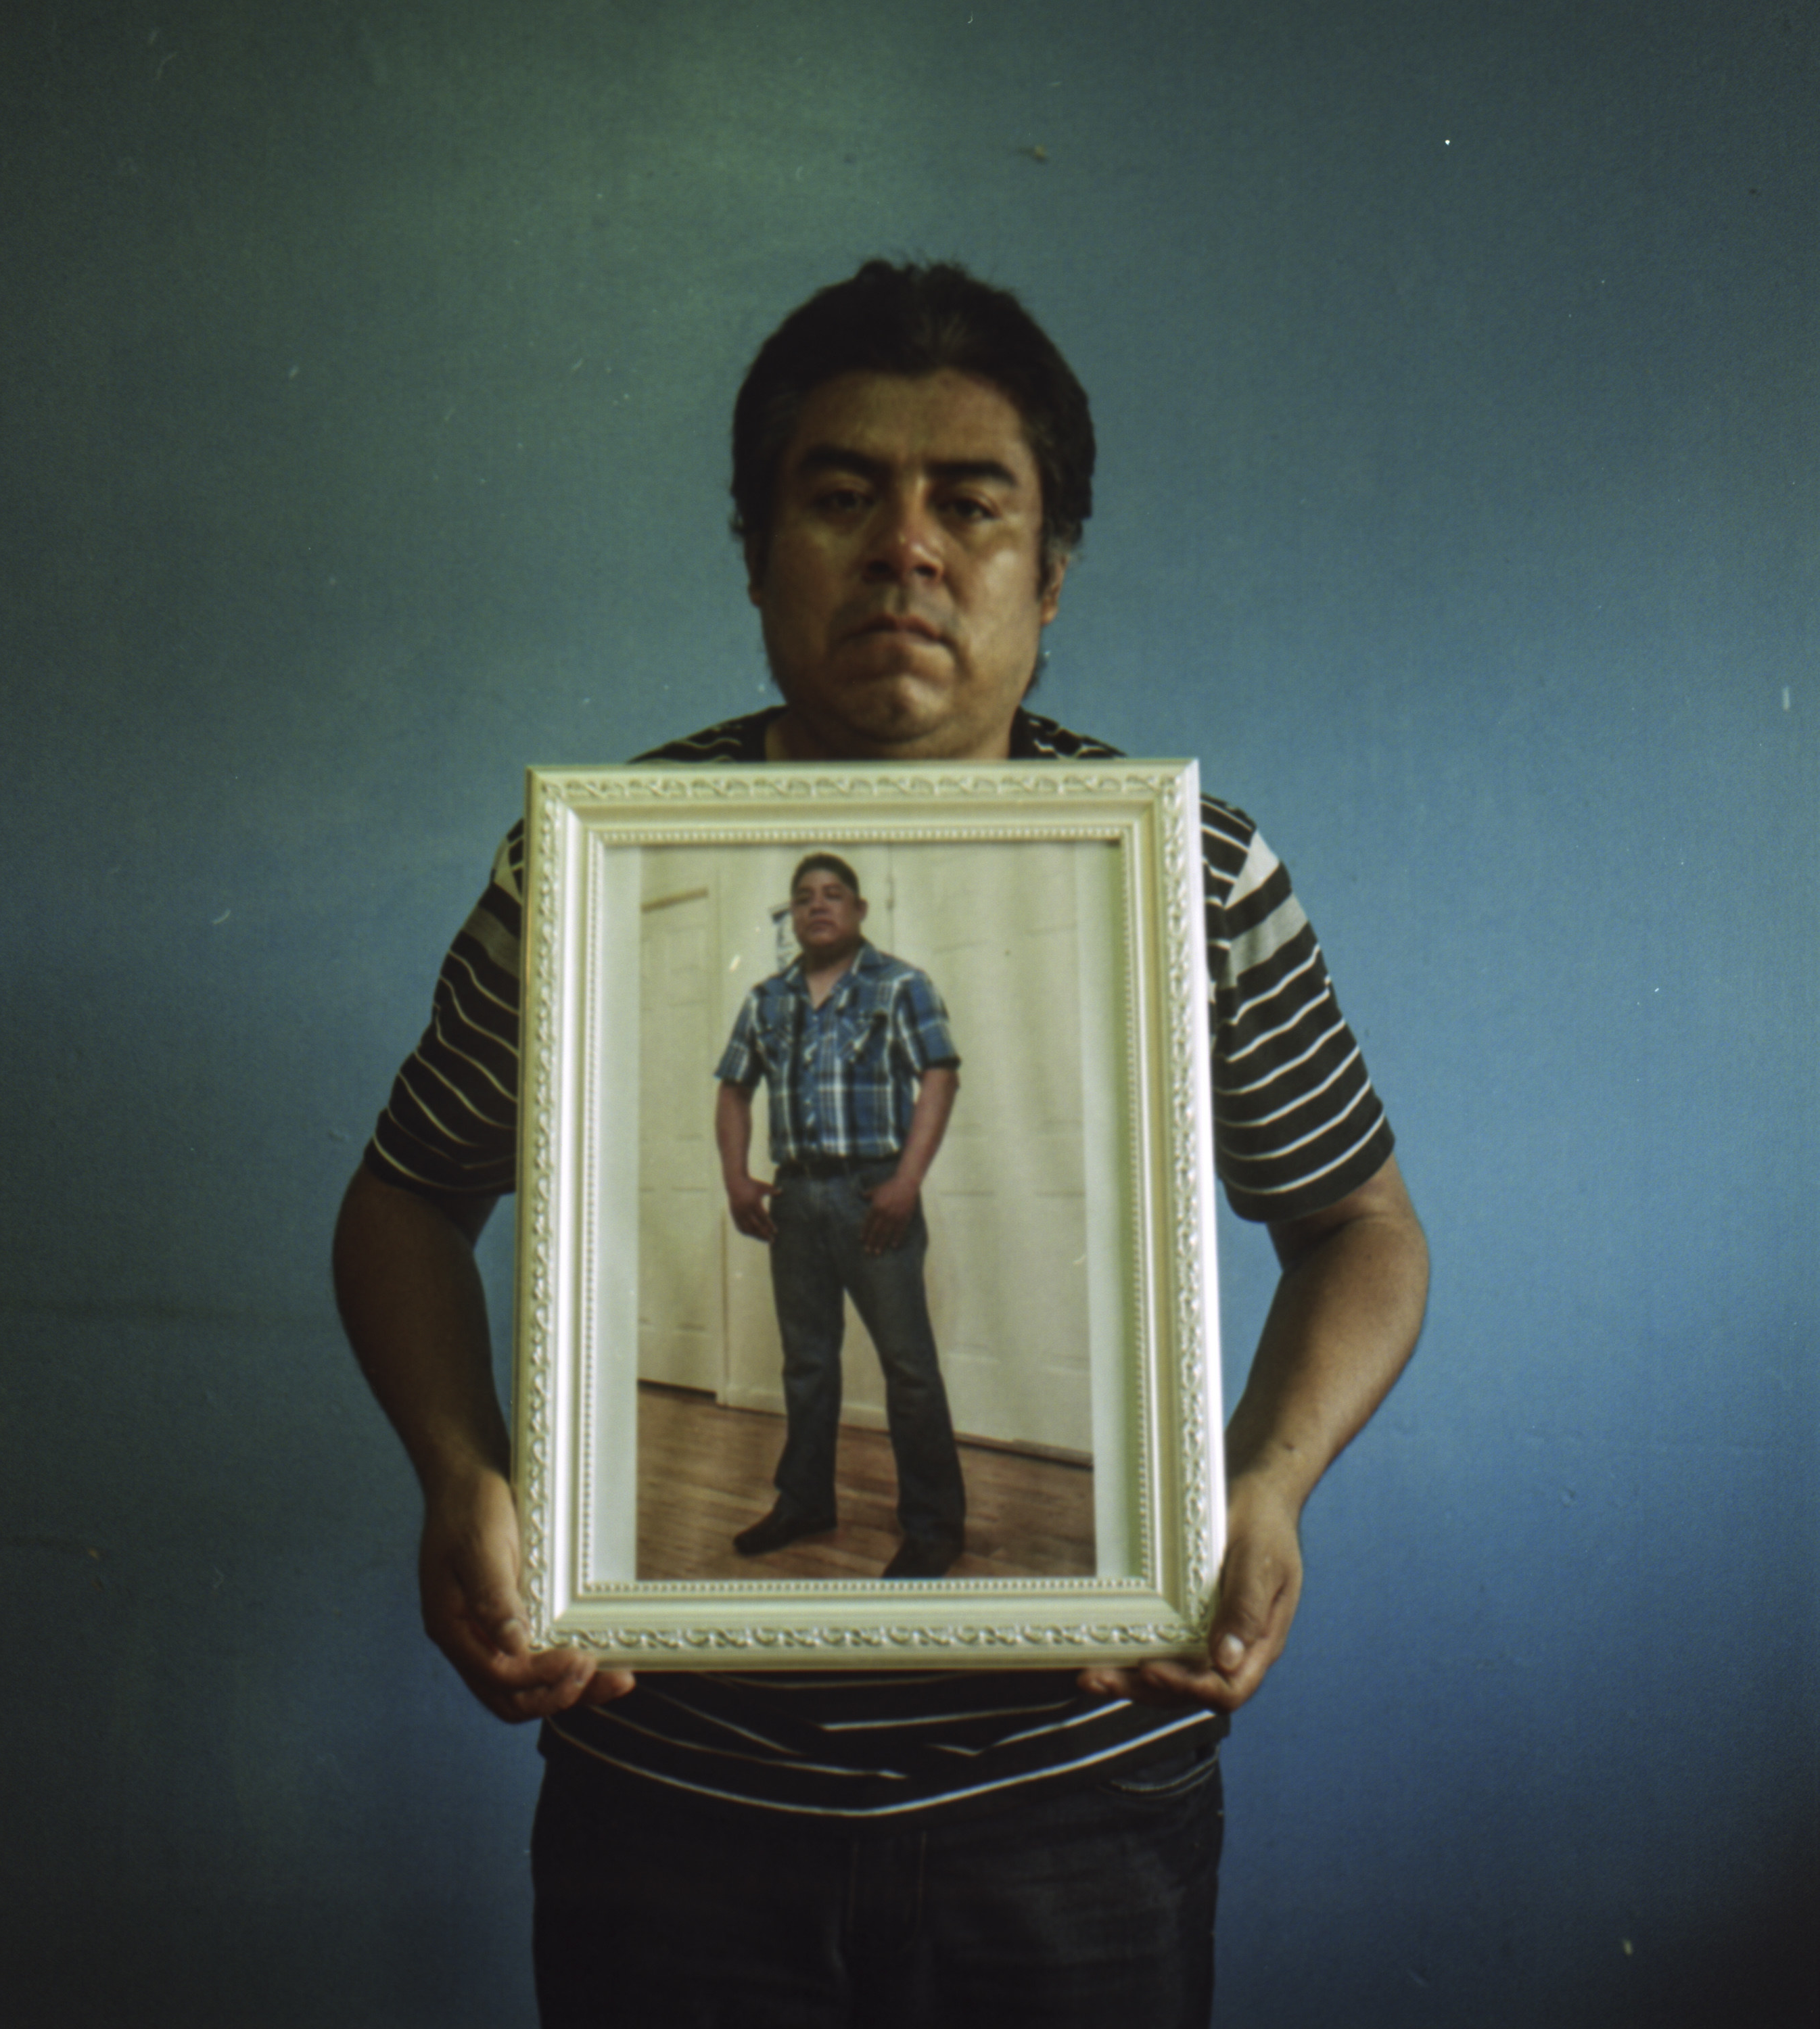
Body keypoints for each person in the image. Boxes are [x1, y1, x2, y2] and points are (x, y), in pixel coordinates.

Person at [333, 259, 1429, 2026]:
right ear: (756, 550)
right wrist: (459, 1478)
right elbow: (400, 1208)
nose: (903, 549)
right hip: (672, 1809)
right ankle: (787, 1514)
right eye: (839, 497)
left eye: (966, 504)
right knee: (795, 1379)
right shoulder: (584, 872)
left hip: (1072, 1801)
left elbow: (1360, 1232)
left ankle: (924, 1525)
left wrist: (1262, 1483)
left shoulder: (1191, 880)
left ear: (1047, 572)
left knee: (905, 1376)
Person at [716, 851, 966, 1579]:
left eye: (832, 895)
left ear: (858, 911)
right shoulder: (766, 1000)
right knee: (807, 1363)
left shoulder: (900, 986)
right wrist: (736, 1178)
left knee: (908, 1367)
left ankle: (933, 1526)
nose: (816, 907)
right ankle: (804, 1502)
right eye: (803, 898)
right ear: (792, 917)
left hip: (873, 1197)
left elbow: (940, 1077)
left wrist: (906, 1181)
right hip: (795, 1202)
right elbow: (733, 1090)